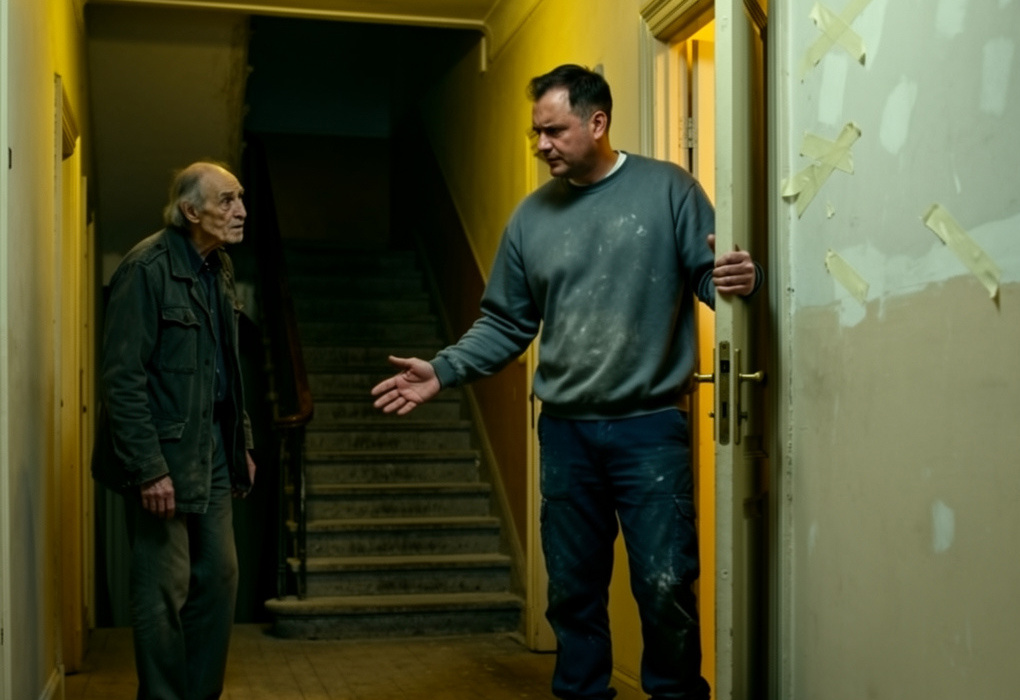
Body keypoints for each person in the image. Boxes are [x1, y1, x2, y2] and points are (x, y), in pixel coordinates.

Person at [371, 64, 761, 700]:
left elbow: (711, 279)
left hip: (650, 430)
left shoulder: (668, 189)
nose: (541, 144)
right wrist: (442, 369)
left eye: (553, 130)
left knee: (665, 584)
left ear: (597, 122)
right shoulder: (531, 218)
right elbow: (506, 322)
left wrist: (744, 280)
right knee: (573, 592)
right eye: (536, 133)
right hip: (565, 434)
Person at [92, 161, 257, 700]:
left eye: (240, 198)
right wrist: (148, 469)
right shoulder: (146, 268)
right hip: (160, 455)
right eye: (227, 200)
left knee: (221, 577)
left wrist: (241, 443)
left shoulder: (219, 267)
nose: (241, 210)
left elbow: (227, 368)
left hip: (212, 448)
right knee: (164, 589)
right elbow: (122, 380)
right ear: (191, 211)